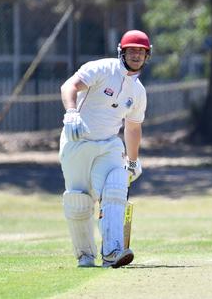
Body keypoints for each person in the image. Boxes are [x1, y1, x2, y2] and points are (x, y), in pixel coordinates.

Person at [59, 29, 150, 268]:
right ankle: (85, 256)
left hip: (109, 144)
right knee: (79, 201)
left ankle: (112, 252)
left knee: (117, 183)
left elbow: (132, 129)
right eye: (132, 50)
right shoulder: (101, 68)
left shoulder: (138, 92)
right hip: (78, 139)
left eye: (141, 52)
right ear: (121, 51)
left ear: (147, 56)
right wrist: (70, 112)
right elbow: (69, 86)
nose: (136, 55)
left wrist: (132, 160)